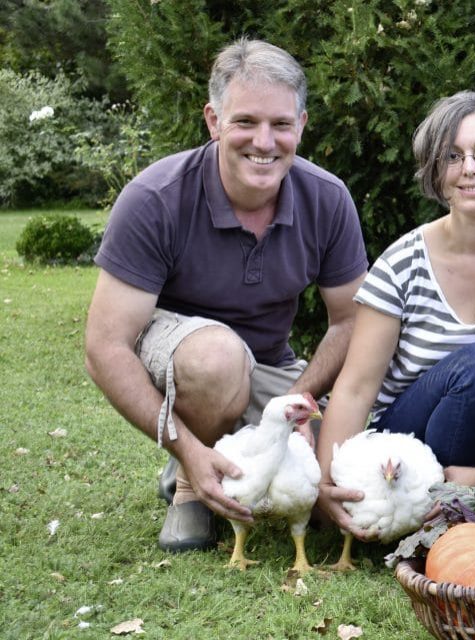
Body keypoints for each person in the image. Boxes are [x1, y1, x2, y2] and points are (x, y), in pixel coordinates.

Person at [83, 39, 368, 553]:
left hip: (269, 367)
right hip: (186, 360)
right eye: (245, 122)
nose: (265, 141)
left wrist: (297, 404)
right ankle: (191, 483)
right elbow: (104, 348)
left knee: (350, 478)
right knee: (217, 359)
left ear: (301, 125)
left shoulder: (327, 198)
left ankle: (237, 450)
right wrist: (187, 448)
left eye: (281, 124)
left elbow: (350, 322)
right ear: (214, 121)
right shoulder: (155, 199)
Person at [315, 91, 475, 540]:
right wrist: (323, 486)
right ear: (436, 170)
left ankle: (460, 506)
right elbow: (354, 387)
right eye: (452, 156)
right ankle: (432, 511)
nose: (469, 168)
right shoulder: (404, 263)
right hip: (401, 449)